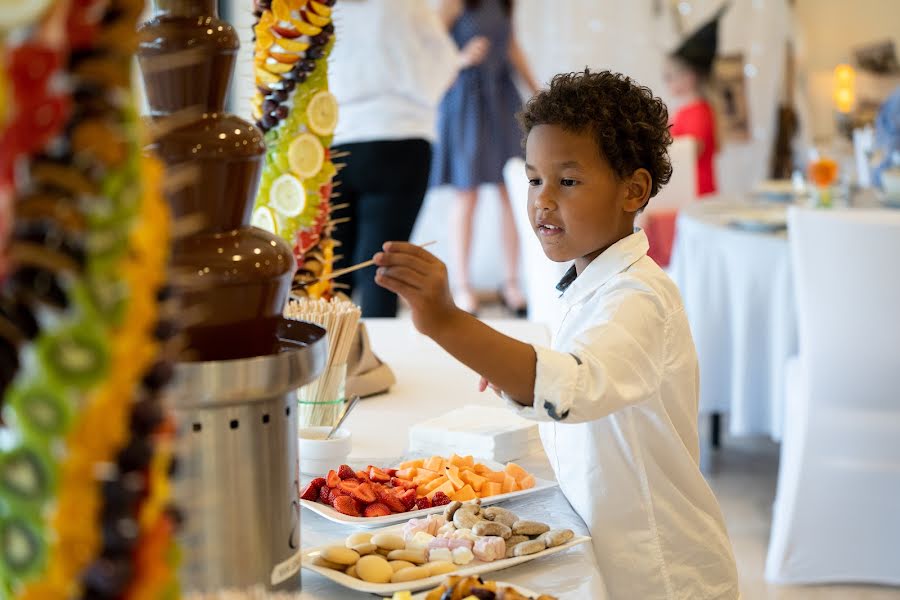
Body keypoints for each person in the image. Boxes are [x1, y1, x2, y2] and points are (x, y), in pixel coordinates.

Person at [373, 69, 740, 599]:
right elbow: (573, 368)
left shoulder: (639, 298)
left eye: (567, 182)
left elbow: (575, 386)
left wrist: (447, 321)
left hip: (662, 571)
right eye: (534, 179)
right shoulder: (594, 281)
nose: (543, 200)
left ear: (632, 190)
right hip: (611, 547)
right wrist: (505, 367)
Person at [329, 0, 488, 317]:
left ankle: (326, 356)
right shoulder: (408, 6)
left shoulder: (322, 10)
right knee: (381, 266)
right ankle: (374, 361)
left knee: (333, 267)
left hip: (336, 141)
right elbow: (444, 68)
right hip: (400, 137)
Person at [431, 0, 539, 316]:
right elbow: (427, 48)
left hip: (504, 98)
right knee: (468, 193)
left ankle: (511, 283)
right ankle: (462, 285)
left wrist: (537, 90)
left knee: (513, 190)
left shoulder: (505, 4)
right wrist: (460, 59)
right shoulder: (454, 4)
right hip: (467, 99)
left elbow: (512, 45)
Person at [663, 7, 726, 197]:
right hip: (688, 189)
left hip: (696, 192)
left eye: (670, 77)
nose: (667, 82)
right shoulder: (688, 110)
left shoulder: (698, 112)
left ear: (688, 77)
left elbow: (688, 151)